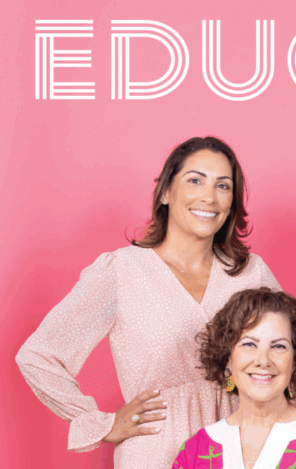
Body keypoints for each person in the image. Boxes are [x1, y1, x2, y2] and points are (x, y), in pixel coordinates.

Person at [16, 137, 281, 469]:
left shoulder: (251, 274)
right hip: (158, 451)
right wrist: (102, 424)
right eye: (195, 180)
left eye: (223, 186)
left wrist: (247, 394)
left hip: (243, 445)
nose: (209, 197)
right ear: (166, 192)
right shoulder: (121, 272)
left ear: (232, 201)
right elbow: (38, 355)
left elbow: (289, 358)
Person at [172, 287, 296, 468]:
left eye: (278, 347)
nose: (263, 360)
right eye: (249, 344)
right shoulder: (195, 450)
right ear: (227, 358)